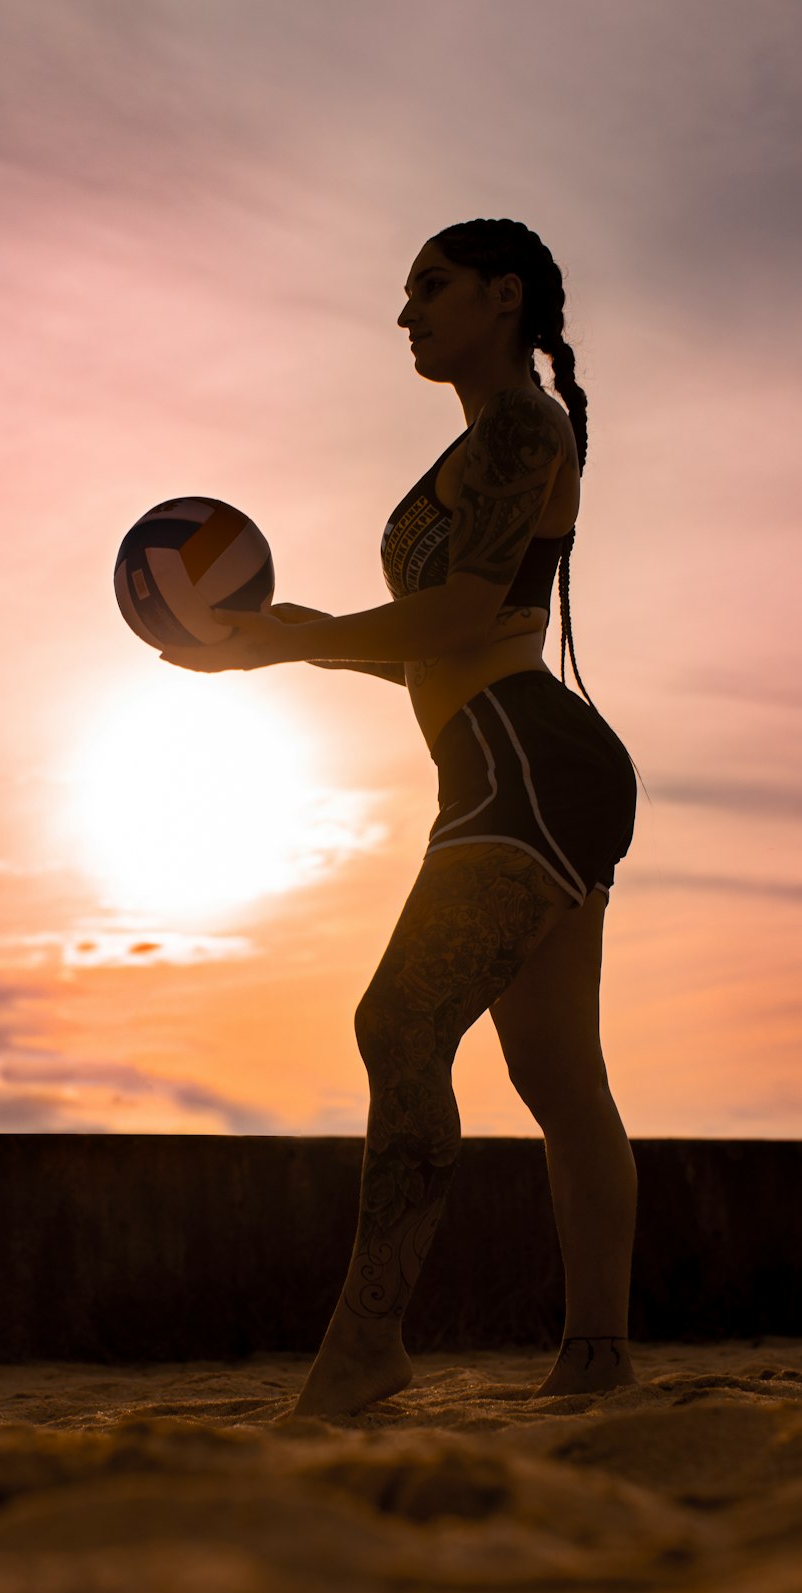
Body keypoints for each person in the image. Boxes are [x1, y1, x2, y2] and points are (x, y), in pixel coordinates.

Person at [159, 218, 641, 1415]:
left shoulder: (524, 425)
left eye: (430, 287)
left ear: (503, 295)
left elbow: (469, 613)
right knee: (556, 1072)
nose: (407, 312)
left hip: (520, 762)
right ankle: (597, 1359)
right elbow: (432, 645)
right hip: (515, 763)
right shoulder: (476, 448)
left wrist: (300, 645)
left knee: (401, 1021)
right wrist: (291, 641)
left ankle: (369, 1345)